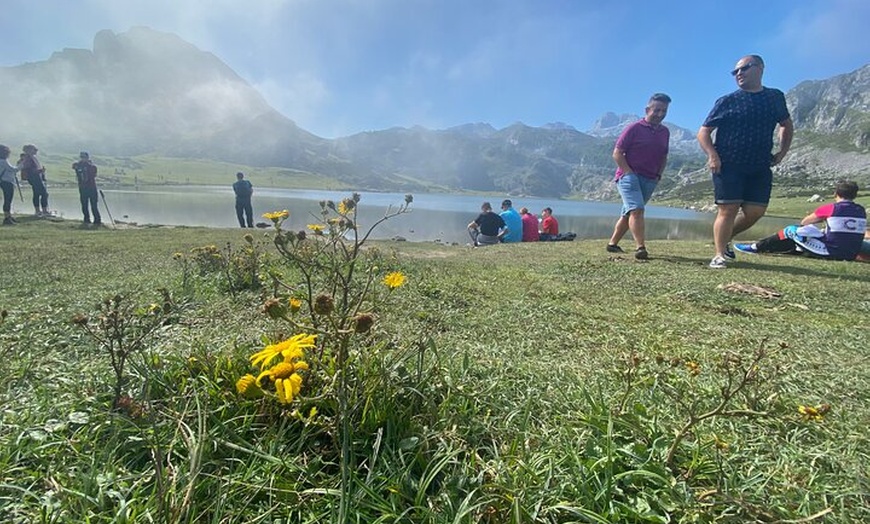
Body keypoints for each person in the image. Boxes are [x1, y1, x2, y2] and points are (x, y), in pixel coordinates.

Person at [697, 55, 794, 269]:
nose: (739, 74)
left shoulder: (774, 97)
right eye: (735, 72)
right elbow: (704, 132)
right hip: (728, 163)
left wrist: (782, 152)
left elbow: (786, 124)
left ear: (760, 68)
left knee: (755, 212)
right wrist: (712, 155)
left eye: (744, 68)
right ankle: (719, 254)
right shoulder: (727, 101)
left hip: (760, 164)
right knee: (728, 210)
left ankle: (723, 237)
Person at [606, 93, 672, 260]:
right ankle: (640, 247)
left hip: (650, 178)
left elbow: (663, 156)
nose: (660, 114)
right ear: (647, 109)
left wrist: (658, 175)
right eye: (656, 110)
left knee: (628, 212)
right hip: (629, 176)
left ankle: (612, 244)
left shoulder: (665, 132)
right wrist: (628, 172)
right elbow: (617, 153)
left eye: (664, 111)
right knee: (637, 210)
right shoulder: (634, 128)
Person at [733, 180, 866, 261]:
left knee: (792, 230)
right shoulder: (860, 210)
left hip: (830, 251)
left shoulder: (830, 208)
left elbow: (805, 222)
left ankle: (756, 247)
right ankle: (785, 249)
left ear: (836, 193)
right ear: (854, 195)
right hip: (851, 253)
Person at [72, 151, 102, 226]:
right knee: (84, 205)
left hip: (92, 188)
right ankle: (86, 219)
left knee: (94, 205)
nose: (83, 159)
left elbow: (94, 173)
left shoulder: (92, 166)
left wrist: (86, 166)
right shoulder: (78, 165)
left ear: (87, 158)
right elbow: (74, 166)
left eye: (84, 157)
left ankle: (97, 220)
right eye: (81, 157)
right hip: (83, 188)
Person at [20, 144, 49, 216]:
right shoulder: (28, 158)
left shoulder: (30, 157)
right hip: (35, 178)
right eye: (34, 149)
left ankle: (38, 211)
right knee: (44, 193)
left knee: (36, 193)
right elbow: (30, 170)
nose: (36, 150)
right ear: (29, 150)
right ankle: (44, 211)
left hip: (36, 177)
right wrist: (40, 171)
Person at [1, 145, 20, 225]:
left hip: (3, 181)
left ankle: (9, 216)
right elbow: (13, 169)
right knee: (8, 200)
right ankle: (7, 218)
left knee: (8, 200)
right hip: (7, 182)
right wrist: (21, 165)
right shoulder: (3, 161)